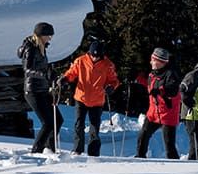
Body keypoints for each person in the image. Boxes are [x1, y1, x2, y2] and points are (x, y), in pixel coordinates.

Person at [60, 40, 120, 156]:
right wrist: (65, 79)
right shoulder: (81, 61)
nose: (94, 58)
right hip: (81, 98)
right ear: (89, 53)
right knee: (79, 124)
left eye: (97, 56)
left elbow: (114, 80)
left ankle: (93, 152)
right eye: (93, 55)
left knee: (94, 127)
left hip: (97, 101)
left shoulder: (108, 65)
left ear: (101, 55)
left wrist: (111, 87)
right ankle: (77, 150)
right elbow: (71, 73)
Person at [17, 22, 63, 153]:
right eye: (48, 35)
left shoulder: (42, 47)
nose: (50, 38)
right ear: (41, 35)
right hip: (32, 91)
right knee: (48, 123)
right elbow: (27, 70)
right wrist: (43, 74)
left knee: (57, 120)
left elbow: (42, 67)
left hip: (42, 89)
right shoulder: (30, 48)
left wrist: (51, 73)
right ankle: (37, 151)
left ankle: (50, 149)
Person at [135, 47, 181, 159]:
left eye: (153, 60)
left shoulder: (171, 74)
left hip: (167, 114)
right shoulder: (152, 74)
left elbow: (173, 90)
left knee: (169, 145)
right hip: (153, 113)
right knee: (143, 136)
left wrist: (161, 91)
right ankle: (140, 158)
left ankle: (176, 166)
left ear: (160, 62)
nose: (151, 62)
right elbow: (150, 87)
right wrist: (138, 79)